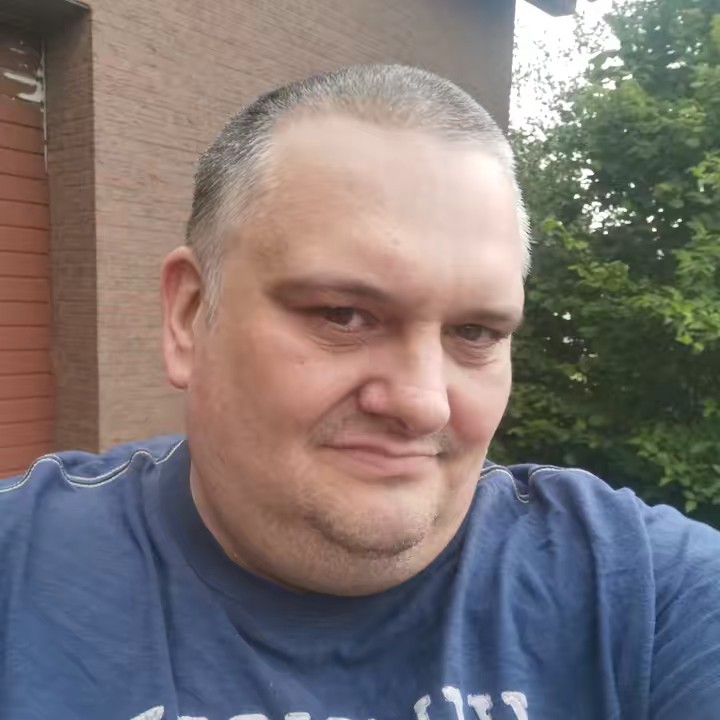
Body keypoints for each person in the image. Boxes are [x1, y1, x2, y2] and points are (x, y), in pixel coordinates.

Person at [1, 65, 718, 720]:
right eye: (343, 316)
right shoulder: (20, 575)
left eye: (474, 332)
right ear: (190, 316)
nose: (424, 403)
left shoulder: (643, 595)